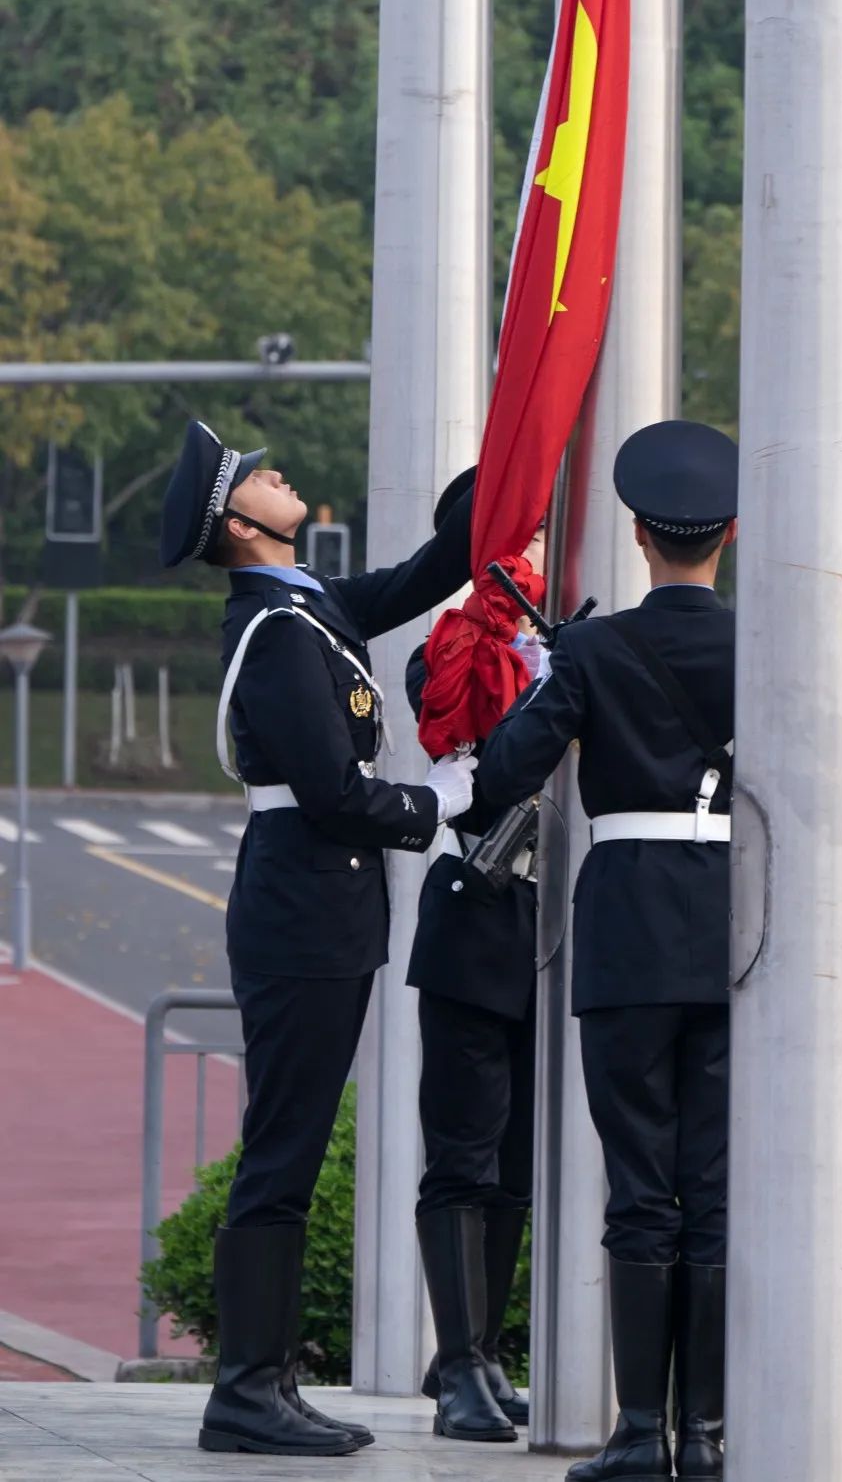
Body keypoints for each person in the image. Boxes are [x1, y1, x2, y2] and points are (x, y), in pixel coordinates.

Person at [159, 420, 477, 1459]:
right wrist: (434, 803)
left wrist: (497, 491)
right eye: (260, 478)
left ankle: (265, 1382)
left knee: (288, 1146)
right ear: (242, 525)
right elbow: (338, 798)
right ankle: (247, 1390)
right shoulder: (279, 631)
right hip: (302, 912)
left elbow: (423, 573)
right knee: (282, 1151)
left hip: (323, 912)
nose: (280, 472)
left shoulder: (310, 604)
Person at [476, 419, 738, 1482]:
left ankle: (638, 1435)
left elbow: (502, 770)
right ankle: (709, 1438)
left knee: (640, 1184)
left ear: (638, 533)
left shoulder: (590, 649)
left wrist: (554, 670)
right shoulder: (761, 645)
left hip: (627, 922)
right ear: (730, 530)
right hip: (733, 926)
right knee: (713, 1188)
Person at [403, 488, 546, 1444]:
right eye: (518, 538)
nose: (532, 556)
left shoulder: (568, 646)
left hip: (549, 921)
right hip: (474, 910)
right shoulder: (444, 653)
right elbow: (457, 737)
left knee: (518, 1162)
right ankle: (458, 1366)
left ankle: (482, 1350)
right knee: (463, 1150)